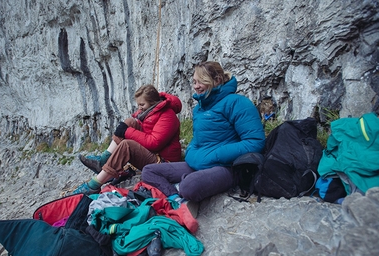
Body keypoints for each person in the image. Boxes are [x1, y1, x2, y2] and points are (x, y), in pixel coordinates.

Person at [141, 61, 265, 214]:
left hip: (226, 167)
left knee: (189, 186)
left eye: (201, 81)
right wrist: (192, 150)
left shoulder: (237, 103)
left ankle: (186, 187)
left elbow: (255, 141)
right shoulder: (200, 107)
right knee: (148, 171)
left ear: (217, 80)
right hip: (196, 163)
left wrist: (216, 155)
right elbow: (198, 138)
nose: (196, 86)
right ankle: (176, 199)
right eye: (194, 82)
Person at [73, 84, 182, 194]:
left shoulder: (168, 116)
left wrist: (127, 131)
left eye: (142, 104)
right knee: (130, 122)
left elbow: (154, 143)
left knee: (127, 145)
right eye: (138, 104)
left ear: (152, 102)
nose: (139, 108)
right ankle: (105, 159)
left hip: (164, 163)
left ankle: (94, 185)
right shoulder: (150, 112)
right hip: (154, 154)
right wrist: (128, 128)